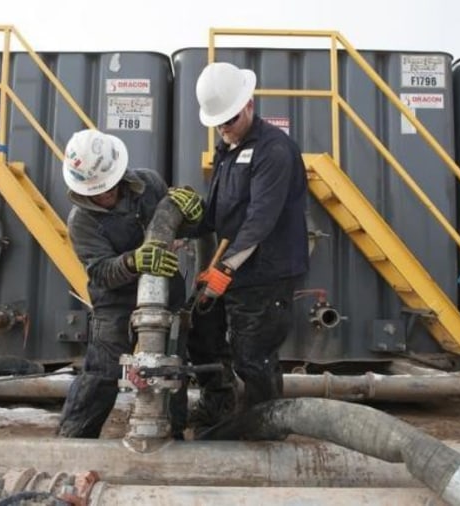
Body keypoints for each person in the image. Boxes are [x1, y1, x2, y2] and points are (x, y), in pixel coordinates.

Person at [56, 129, 203, 439]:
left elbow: (176, 225)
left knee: (172, 363)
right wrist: (134, 262)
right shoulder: (81, 220)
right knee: (102, 372)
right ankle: (73, 438)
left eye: (108, 188)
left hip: (165, 289)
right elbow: (100, 272)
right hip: (115, 300)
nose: (105, 196)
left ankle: (172, 434)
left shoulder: (149, 184)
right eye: (96, 192)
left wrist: (192, 215)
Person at [187, 61, 310, 428]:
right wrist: (182, 228)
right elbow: (216, 214)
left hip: (266, 274)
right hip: (235, 270)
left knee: (252, 356)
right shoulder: (227, 149)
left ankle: (265, 427)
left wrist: (223, 269)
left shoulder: (274, 150)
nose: (224, 128)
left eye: (230, 119)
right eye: (219, 122)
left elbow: (260, 219)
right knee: (201, 330)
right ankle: (220, 405)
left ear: (250, 105)